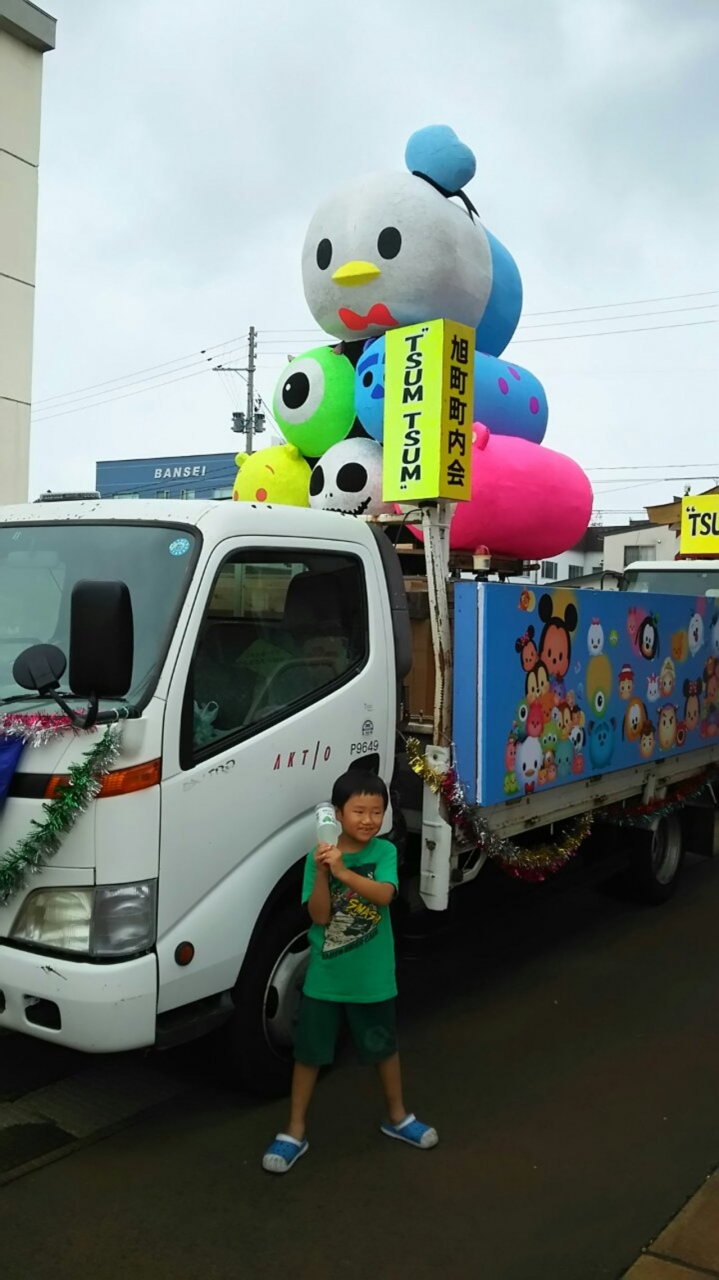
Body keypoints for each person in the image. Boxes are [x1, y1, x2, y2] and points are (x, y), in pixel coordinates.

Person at [262, 770, 438, 1174]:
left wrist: (343, 872)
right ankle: (294, 1130)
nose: (368, 820)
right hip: (325, 978)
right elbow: (319, 916)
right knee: (309, 1054)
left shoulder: (384, 852)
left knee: (384, 1048)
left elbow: (385, 895)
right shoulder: (318, 859)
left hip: (373, 977)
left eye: (376, 812)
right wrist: (325, 871)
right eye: (358, 811)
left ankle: (398, 1117)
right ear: (338, 815)